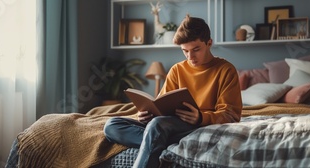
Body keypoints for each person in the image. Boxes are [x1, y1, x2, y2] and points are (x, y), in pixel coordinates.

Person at [103, 14, 242, 168]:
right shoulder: (177, 69)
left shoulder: (226, 70)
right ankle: (160, 141)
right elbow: (161, 104)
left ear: (209, 43)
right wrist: (144, 115)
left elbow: (231, 115)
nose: (191, 57)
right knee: (112, 125)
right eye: (185, 51)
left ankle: (156, 141)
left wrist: (200, 117)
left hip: (199, 125)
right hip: (169, 125)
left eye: (196, 49)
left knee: (157, 126)